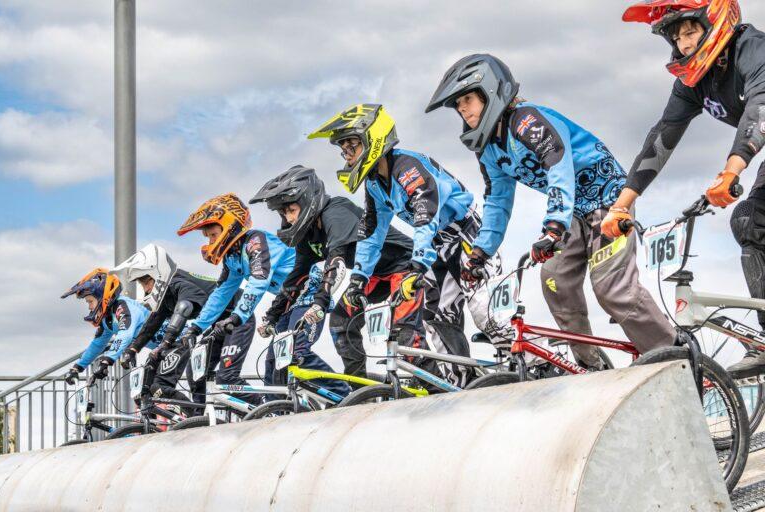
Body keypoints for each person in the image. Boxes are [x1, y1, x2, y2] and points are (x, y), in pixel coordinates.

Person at [425, 53, 676, 369]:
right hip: (573, 214)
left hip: (609, 202)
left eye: (467, 99)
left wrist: (553, 227)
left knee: (611, 288)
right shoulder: (489, 149)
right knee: (554, 280)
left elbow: (560, 169)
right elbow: (498, 201)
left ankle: (673, 354)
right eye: (457, 104)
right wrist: (479, 253)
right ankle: (592, 366)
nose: (462, 108)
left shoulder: (528, 121)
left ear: (490, 93)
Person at [604, 0, 765, 377]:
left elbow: (761, 104)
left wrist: (732, 168)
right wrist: (622, 205)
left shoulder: (751, 47)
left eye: (690, 30)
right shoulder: (695, 82)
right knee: (748, 224)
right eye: (676, 36)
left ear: (715, 22)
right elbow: (662, 138)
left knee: (750, 218)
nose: (684, 43)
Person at [308, 104, 501, 386]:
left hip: (466, 237)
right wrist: (357, 280)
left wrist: (415, 266)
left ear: (372, 140)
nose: (347, 155)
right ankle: (464, 383)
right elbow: (371, 234)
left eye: (351, 146)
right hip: (437, 248)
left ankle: (536, 369)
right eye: (343, 150)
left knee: (486, 313)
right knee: (436, 320)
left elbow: (425, 215)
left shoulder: (408, 167)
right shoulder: (375, 183)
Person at [251, 165, 415, 382]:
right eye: (283, 213)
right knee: (340, 322)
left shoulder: (335, 211)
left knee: (405, 331)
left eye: (291, 210)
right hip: (373, 277)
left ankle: (434, 387)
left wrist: (319, 303)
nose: (288, 219)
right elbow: (296, 278)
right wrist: (273, 315)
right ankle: (360, 389)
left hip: (405, 266)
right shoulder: (310, 235)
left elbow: (335, 262)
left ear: (307, 200)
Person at [176, 193, 334, 401]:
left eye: (213, 235)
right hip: (287, 304)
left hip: (311, 295)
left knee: (298, 353)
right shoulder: (233, 257)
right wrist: (195, 327)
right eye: (208, 238)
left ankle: (344, 393)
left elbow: (258, 282)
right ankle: (277, 410)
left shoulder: (255, 242)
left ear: (229, 226)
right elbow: (220, 294)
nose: (211, 241)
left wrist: (237, 317)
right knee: (273, 364)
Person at [113, 243, 238, 404]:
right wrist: (132, 349)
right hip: (219, 325)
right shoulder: (166, 294)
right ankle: (198, 420)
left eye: (146, 283)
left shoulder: (177, 282)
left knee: (228, 377)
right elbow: (151, 325)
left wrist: (166, 342)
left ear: (157, 275)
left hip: (238, 318)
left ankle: (267, 410)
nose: (146, 290)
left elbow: (184, 308)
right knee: (195, 376)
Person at [61, 269, 150, 384]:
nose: (89, 307)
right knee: (146, 392)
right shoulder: (107, 318)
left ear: (103, 297)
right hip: (161, 348)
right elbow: (97, 344)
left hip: (175, 340)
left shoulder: (123, 306)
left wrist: (106, 360)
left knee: (159, 388)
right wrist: (77, 367)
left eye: (90, 301)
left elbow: (125, 333)